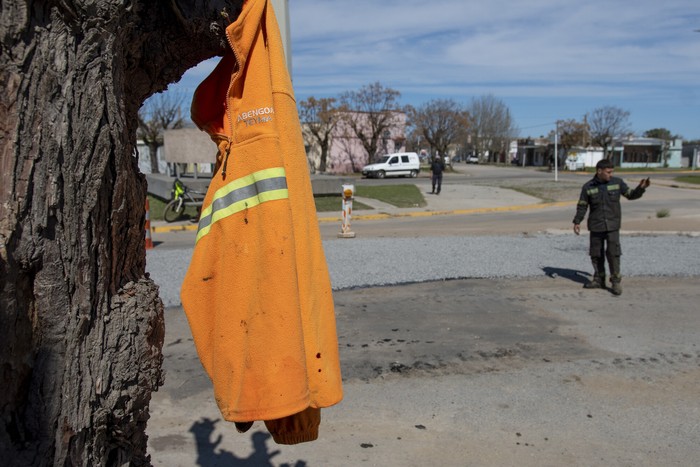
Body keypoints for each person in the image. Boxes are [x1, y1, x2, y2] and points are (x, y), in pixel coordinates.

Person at [573, 159, 650, 295]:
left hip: (612, 225)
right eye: (608, 172)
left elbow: (630, 195)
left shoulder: (617, 183)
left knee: (613, 254)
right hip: (596, 225)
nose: (611, 174)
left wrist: (641, 188)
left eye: (612, 172)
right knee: (596, 254)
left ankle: (615, 282)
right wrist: (577, 221)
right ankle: (599, 279)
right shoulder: (588, 187)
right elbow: (582, 205)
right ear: (599, 171)